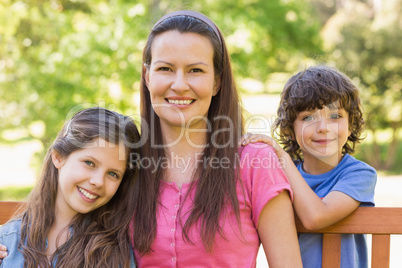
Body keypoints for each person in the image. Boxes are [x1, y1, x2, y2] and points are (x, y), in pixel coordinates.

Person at [130, 10, 302, 267]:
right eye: (165, 68)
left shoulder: (254, 163)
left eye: (195, 70)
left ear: (217, 82)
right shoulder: (125, 163)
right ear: (147, 76)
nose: (179, 84)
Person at [242, 65, 377, 267]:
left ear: (351, 124)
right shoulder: (281, 177)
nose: (323, 128)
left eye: (335, 116)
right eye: (308, 117)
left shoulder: (359, 174)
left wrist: (282, 158)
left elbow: (316, 217)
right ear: (289, 128)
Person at [0, 107, 139, 267]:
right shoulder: (7, 242)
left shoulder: (116, 254)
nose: (98, 181)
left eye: (113, 174)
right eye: (89, 163)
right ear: (58, 157)